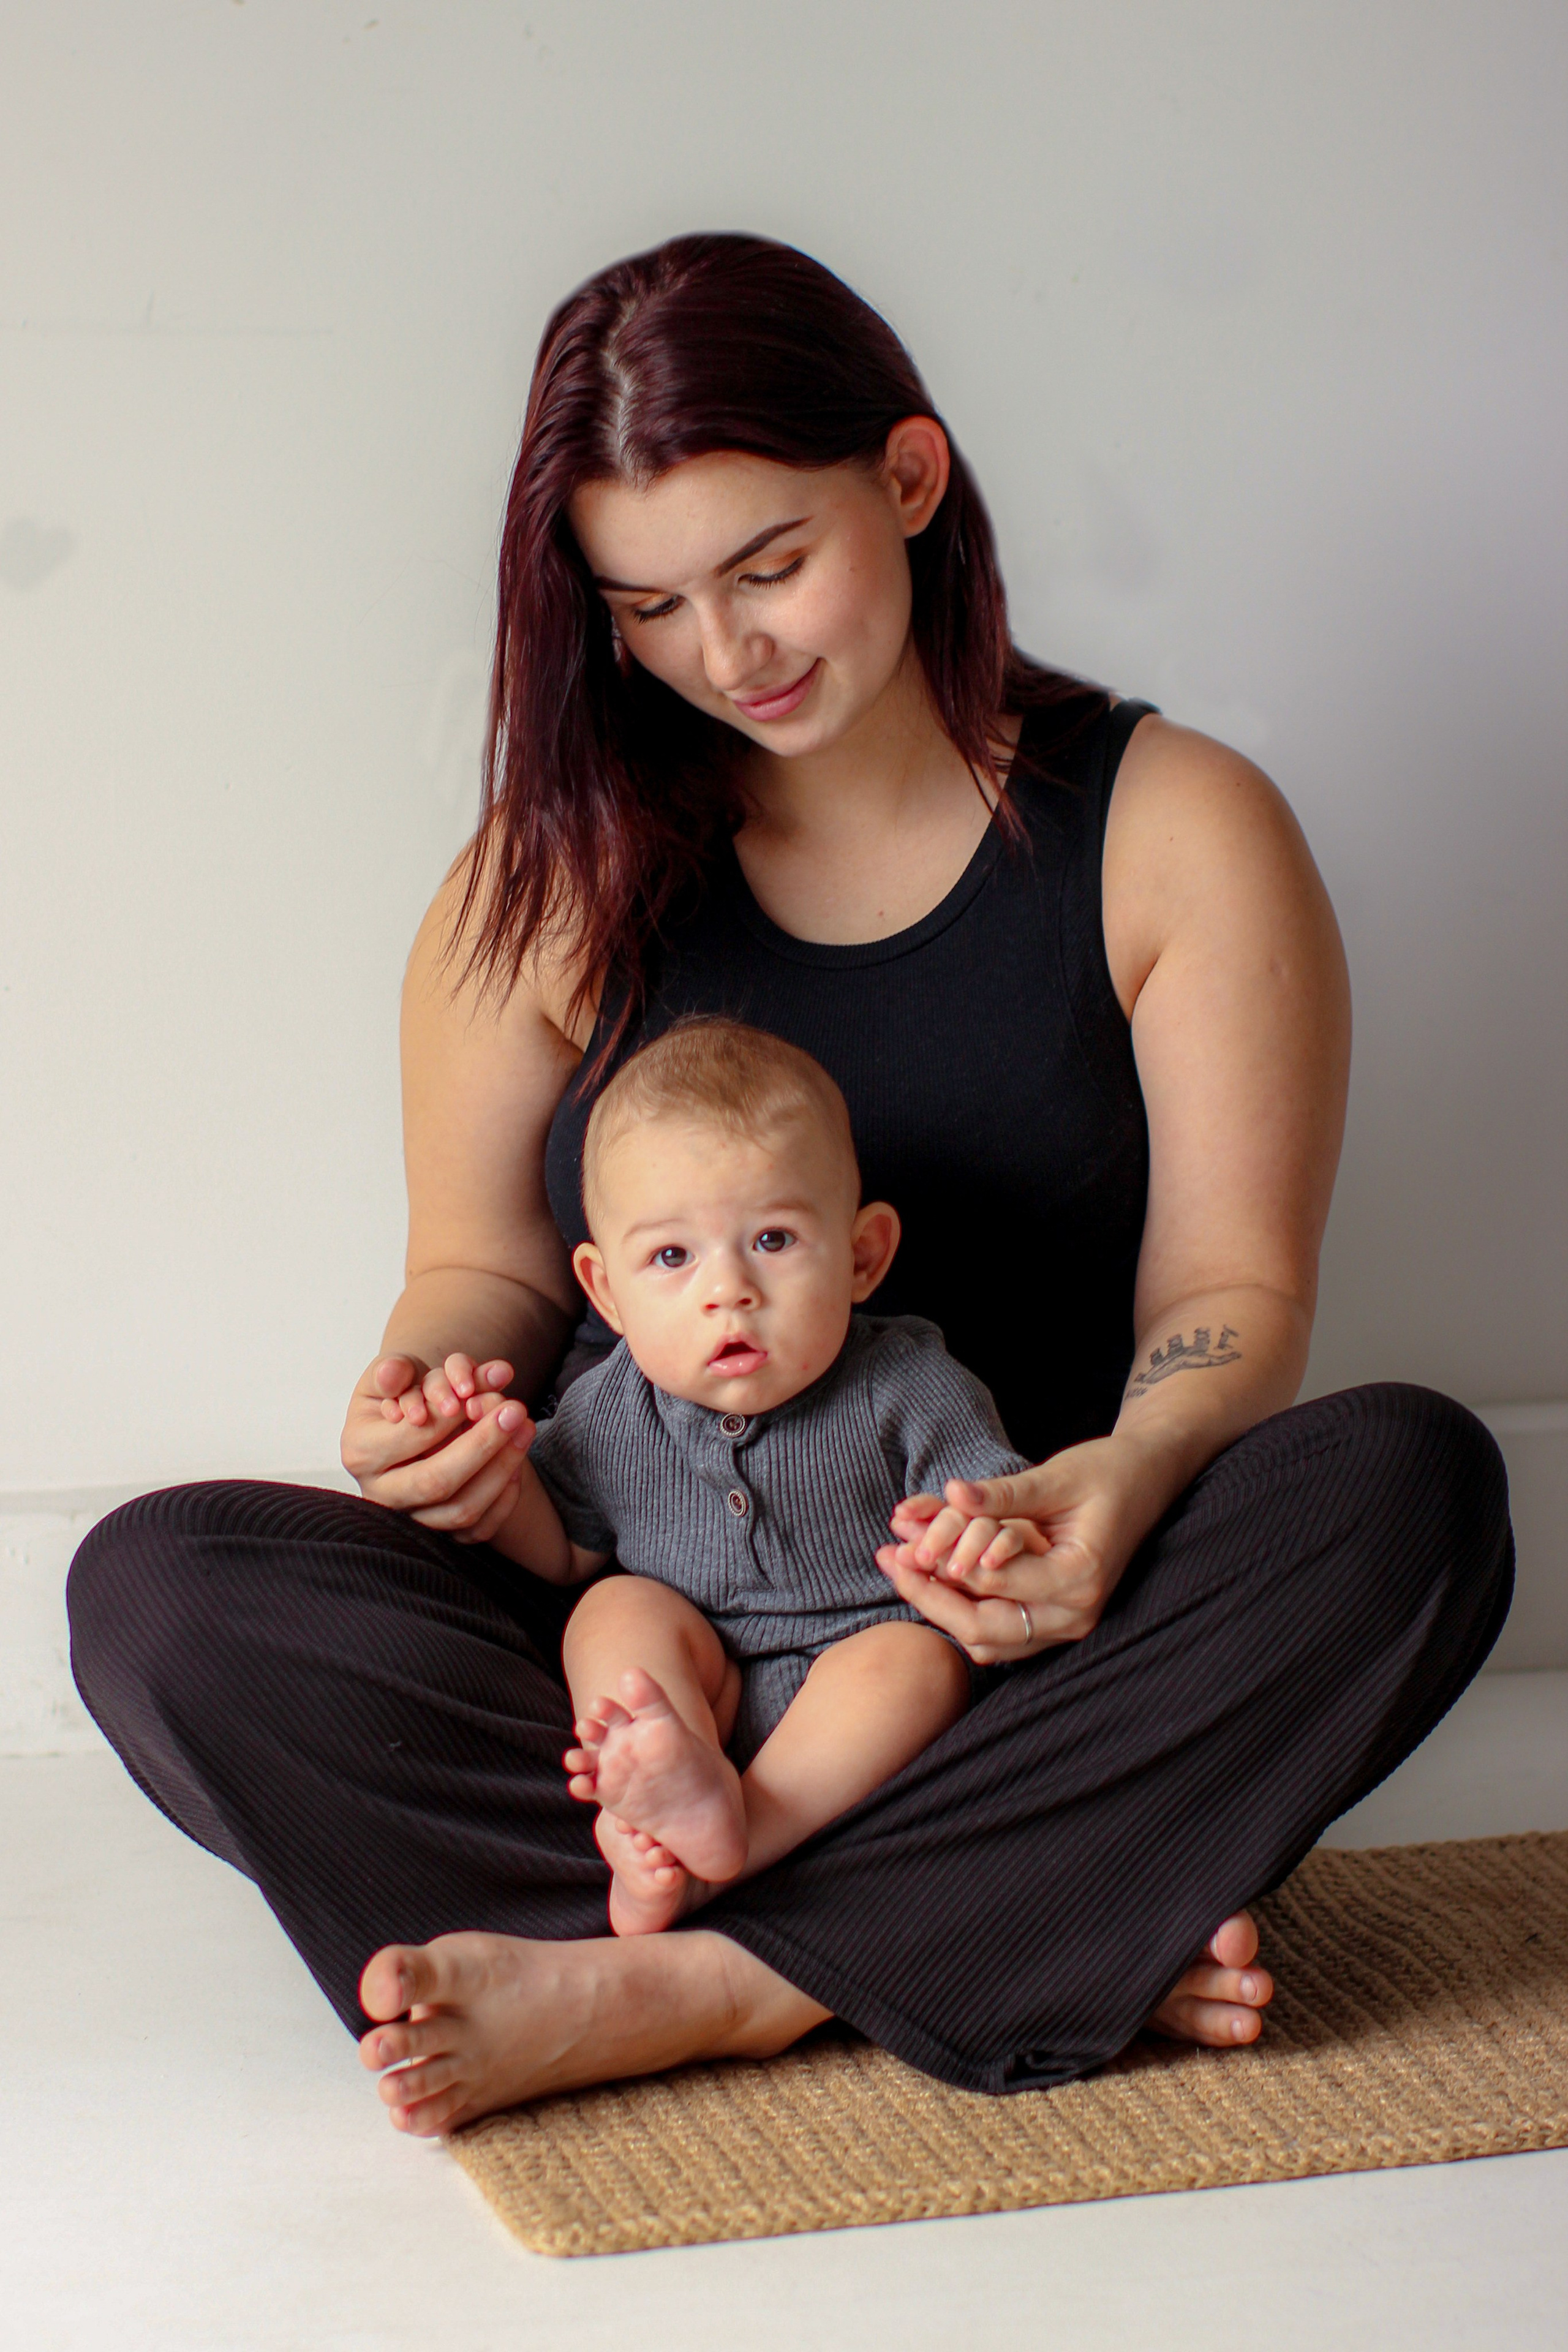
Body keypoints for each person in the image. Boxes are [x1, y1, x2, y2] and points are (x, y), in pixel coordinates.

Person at [67, 232, 1513, 2144]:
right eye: (650, 605)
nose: (725, 655)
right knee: (160, 1594)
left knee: (1412, 1490)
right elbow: (477, 1278)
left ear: (909, 484)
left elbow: (1231, 1298)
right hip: (630, 1668)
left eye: (770, 569)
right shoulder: (553, 876)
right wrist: (433, 1411)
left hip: (1001, 1650)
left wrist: (1114, 1484)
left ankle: (697, 1985)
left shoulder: (1173, 829)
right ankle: (1033, 1923)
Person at [473, 1015, 1031, 1936]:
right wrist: (497, 1481)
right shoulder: (614, 1407)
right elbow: (568, 1545)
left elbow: (996, 1502)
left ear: (862, 1257)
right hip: (709, 1690)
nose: (726, 1290)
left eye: (772, 1240)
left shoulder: (907, 1382)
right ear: (606, 1293)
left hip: (860, 1703)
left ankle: (730, 1843)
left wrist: (972, 1536)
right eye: (671, 1257)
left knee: (915, 1664)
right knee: (612, 1611)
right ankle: (669, 1775)